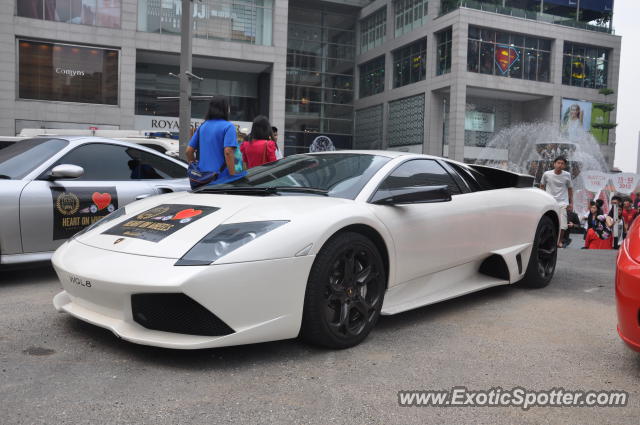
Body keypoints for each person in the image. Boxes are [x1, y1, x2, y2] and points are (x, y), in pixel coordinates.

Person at [185, 96, 245, 185]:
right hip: (220, 179)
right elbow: (228, 151)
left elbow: (188, 151)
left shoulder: (203, 126)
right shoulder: (228, 127)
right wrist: (232, 176)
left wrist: (195, 167)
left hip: (202, 178)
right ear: (225, 109)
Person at [540, 156, 573, 248]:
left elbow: (570, 188)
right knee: (547, 221)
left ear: (564, 166)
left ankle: (559, 241)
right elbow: (542, 185)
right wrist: (542, 198)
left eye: (562, 163)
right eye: (558, 163)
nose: (560, 165)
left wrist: (571, 203)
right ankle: (545, 240)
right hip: (549, 201)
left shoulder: (567, 175)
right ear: (554, 164)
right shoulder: (547, 174)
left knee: (563, 223)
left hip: (562, 202)